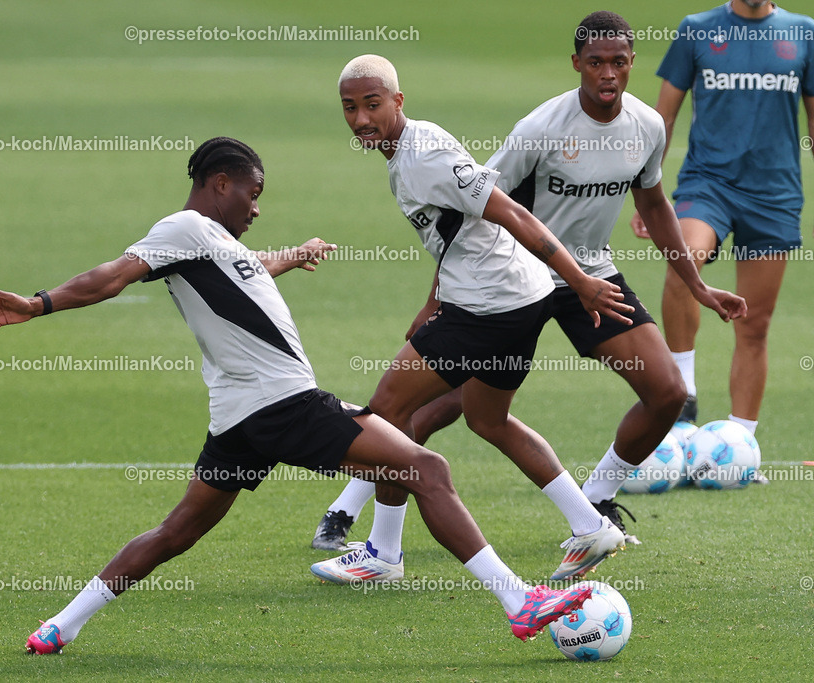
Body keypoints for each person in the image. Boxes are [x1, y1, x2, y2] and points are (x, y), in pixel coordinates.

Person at [0, 137, 594, 654]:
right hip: (283, 405)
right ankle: (520, 600)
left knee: (176, 533)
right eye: (253, 194)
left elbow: (243, 270)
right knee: (426, 467)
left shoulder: (210, 242)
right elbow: (110, 277)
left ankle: (61, 625)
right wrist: (38, 304)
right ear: (221, 183)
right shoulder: (182, 228)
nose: (255, 207)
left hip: (240, 420)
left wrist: (293, 257)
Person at [312, 12, 748, 551]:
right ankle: (344, 512)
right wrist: (439, 299)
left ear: (632, 64)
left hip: (587, 275)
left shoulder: (647, 127)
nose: (607, 74)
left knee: (666, 393)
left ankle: (596, 501)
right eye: (595, 63)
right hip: (513, 277)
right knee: (442, 407)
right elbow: (476, 216)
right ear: (576, 65)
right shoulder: (540, 129)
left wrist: (697, 285)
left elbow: (655, 204)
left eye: (618, 62)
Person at [310, 53, 639, 586]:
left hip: (492, 305)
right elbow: (457, 232)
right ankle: (589, 524)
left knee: (388, 411)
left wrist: (577, 280)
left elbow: (512, 213)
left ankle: (383, 552)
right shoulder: (404, 151)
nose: (361, 119)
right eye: (350, 108)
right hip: (516, 300)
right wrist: (434, 300)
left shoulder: (426, 156)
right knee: (488, 419)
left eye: (373, 105)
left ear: (398, 101)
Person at [631, 0, 814, 433]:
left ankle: (740, 443)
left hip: (774, 195)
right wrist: (644, 193)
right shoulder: (697, 29)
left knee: (754, 324)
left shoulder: (802, 31)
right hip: (707, 185)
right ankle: (682, 394)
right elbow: (663, 114)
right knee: (685, 260)